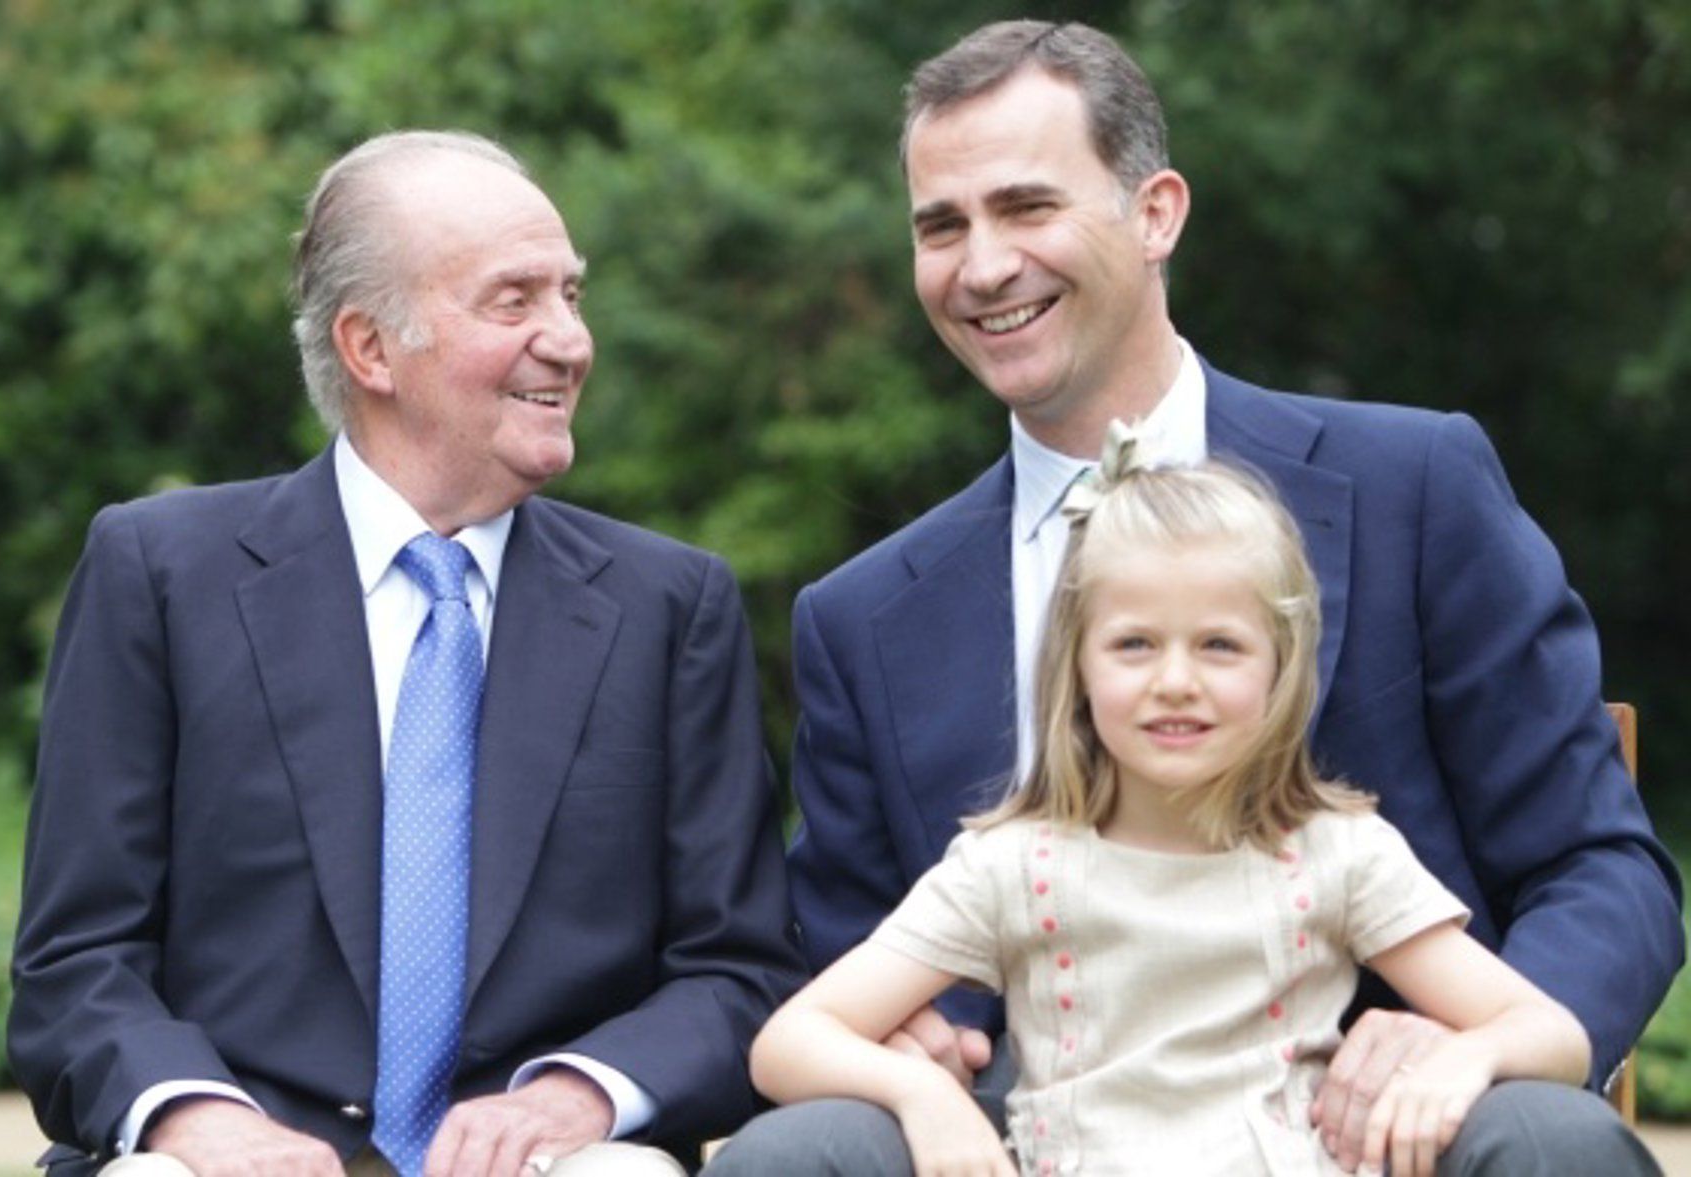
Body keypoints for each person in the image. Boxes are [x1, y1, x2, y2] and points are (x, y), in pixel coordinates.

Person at [710, 18, 1678, 1176]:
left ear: (1156, 213)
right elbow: (841, 950)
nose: (982, 265)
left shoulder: (1415, 487)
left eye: (1026, 207)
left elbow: (1598, 865)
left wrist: (1476, 1042)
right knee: (799, 1152)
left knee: (1551, 1139)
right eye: (942, 226)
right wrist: (906, 1049)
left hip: (1384, 1117)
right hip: (1017, 1131)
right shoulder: (862, 616)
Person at [8, 130, 803, 1177]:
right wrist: (198, 1121)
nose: (570, 340)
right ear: (370, 349)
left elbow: (741, 971)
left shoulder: (669, 606)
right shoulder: (159, 574)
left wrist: (578, 1094)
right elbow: (76, 963)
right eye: (514, 301)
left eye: (571, 295)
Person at [752, 435, 1592, 1176]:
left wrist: (1468, 1057)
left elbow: (1548, 1030)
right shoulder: (1012, 866)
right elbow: (790, 1041)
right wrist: (921, 1095)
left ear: (1281, 665)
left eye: (1220, 644)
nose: (1176, 680)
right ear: (1078, 666)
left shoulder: (1338, 854)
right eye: (1134, 644)